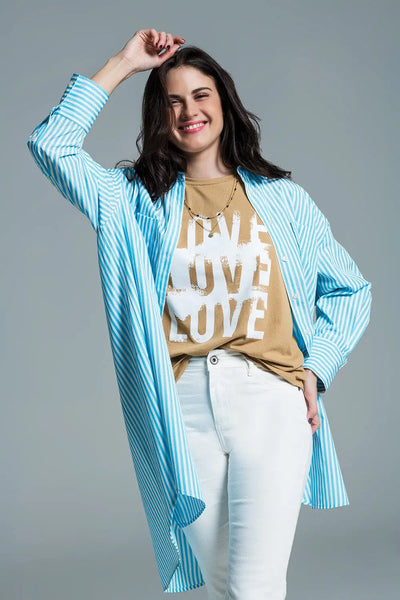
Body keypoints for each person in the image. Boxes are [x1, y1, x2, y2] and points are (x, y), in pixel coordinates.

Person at [27, 29, 372, 599]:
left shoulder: (283, 200)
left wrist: (318, 367)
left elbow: (350, 290)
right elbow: (51, 145)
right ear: (159, 117)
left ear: (224, 102)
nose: (189, 111)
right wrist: (124, 63)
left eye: (201, 95)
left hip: (270, 398)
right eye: (173, 101)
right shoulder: (131, 200)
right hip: (181, 407)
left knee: (255, 587)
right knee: (220, 586)